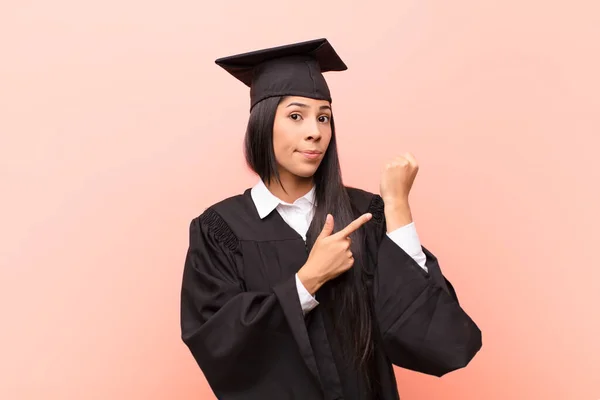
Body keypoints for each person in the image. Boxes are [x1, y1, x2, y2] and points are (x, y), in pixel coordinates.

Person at [180, 38, 482, 400]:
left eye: (324, 117)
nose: (316, 132)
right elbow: (217, 343)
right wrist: (306, 282)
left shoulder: (364, 215)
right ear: (262, 124)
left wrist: (398, 207)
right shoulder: (220, 229)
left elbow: (439, 337)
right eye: (296, 116)